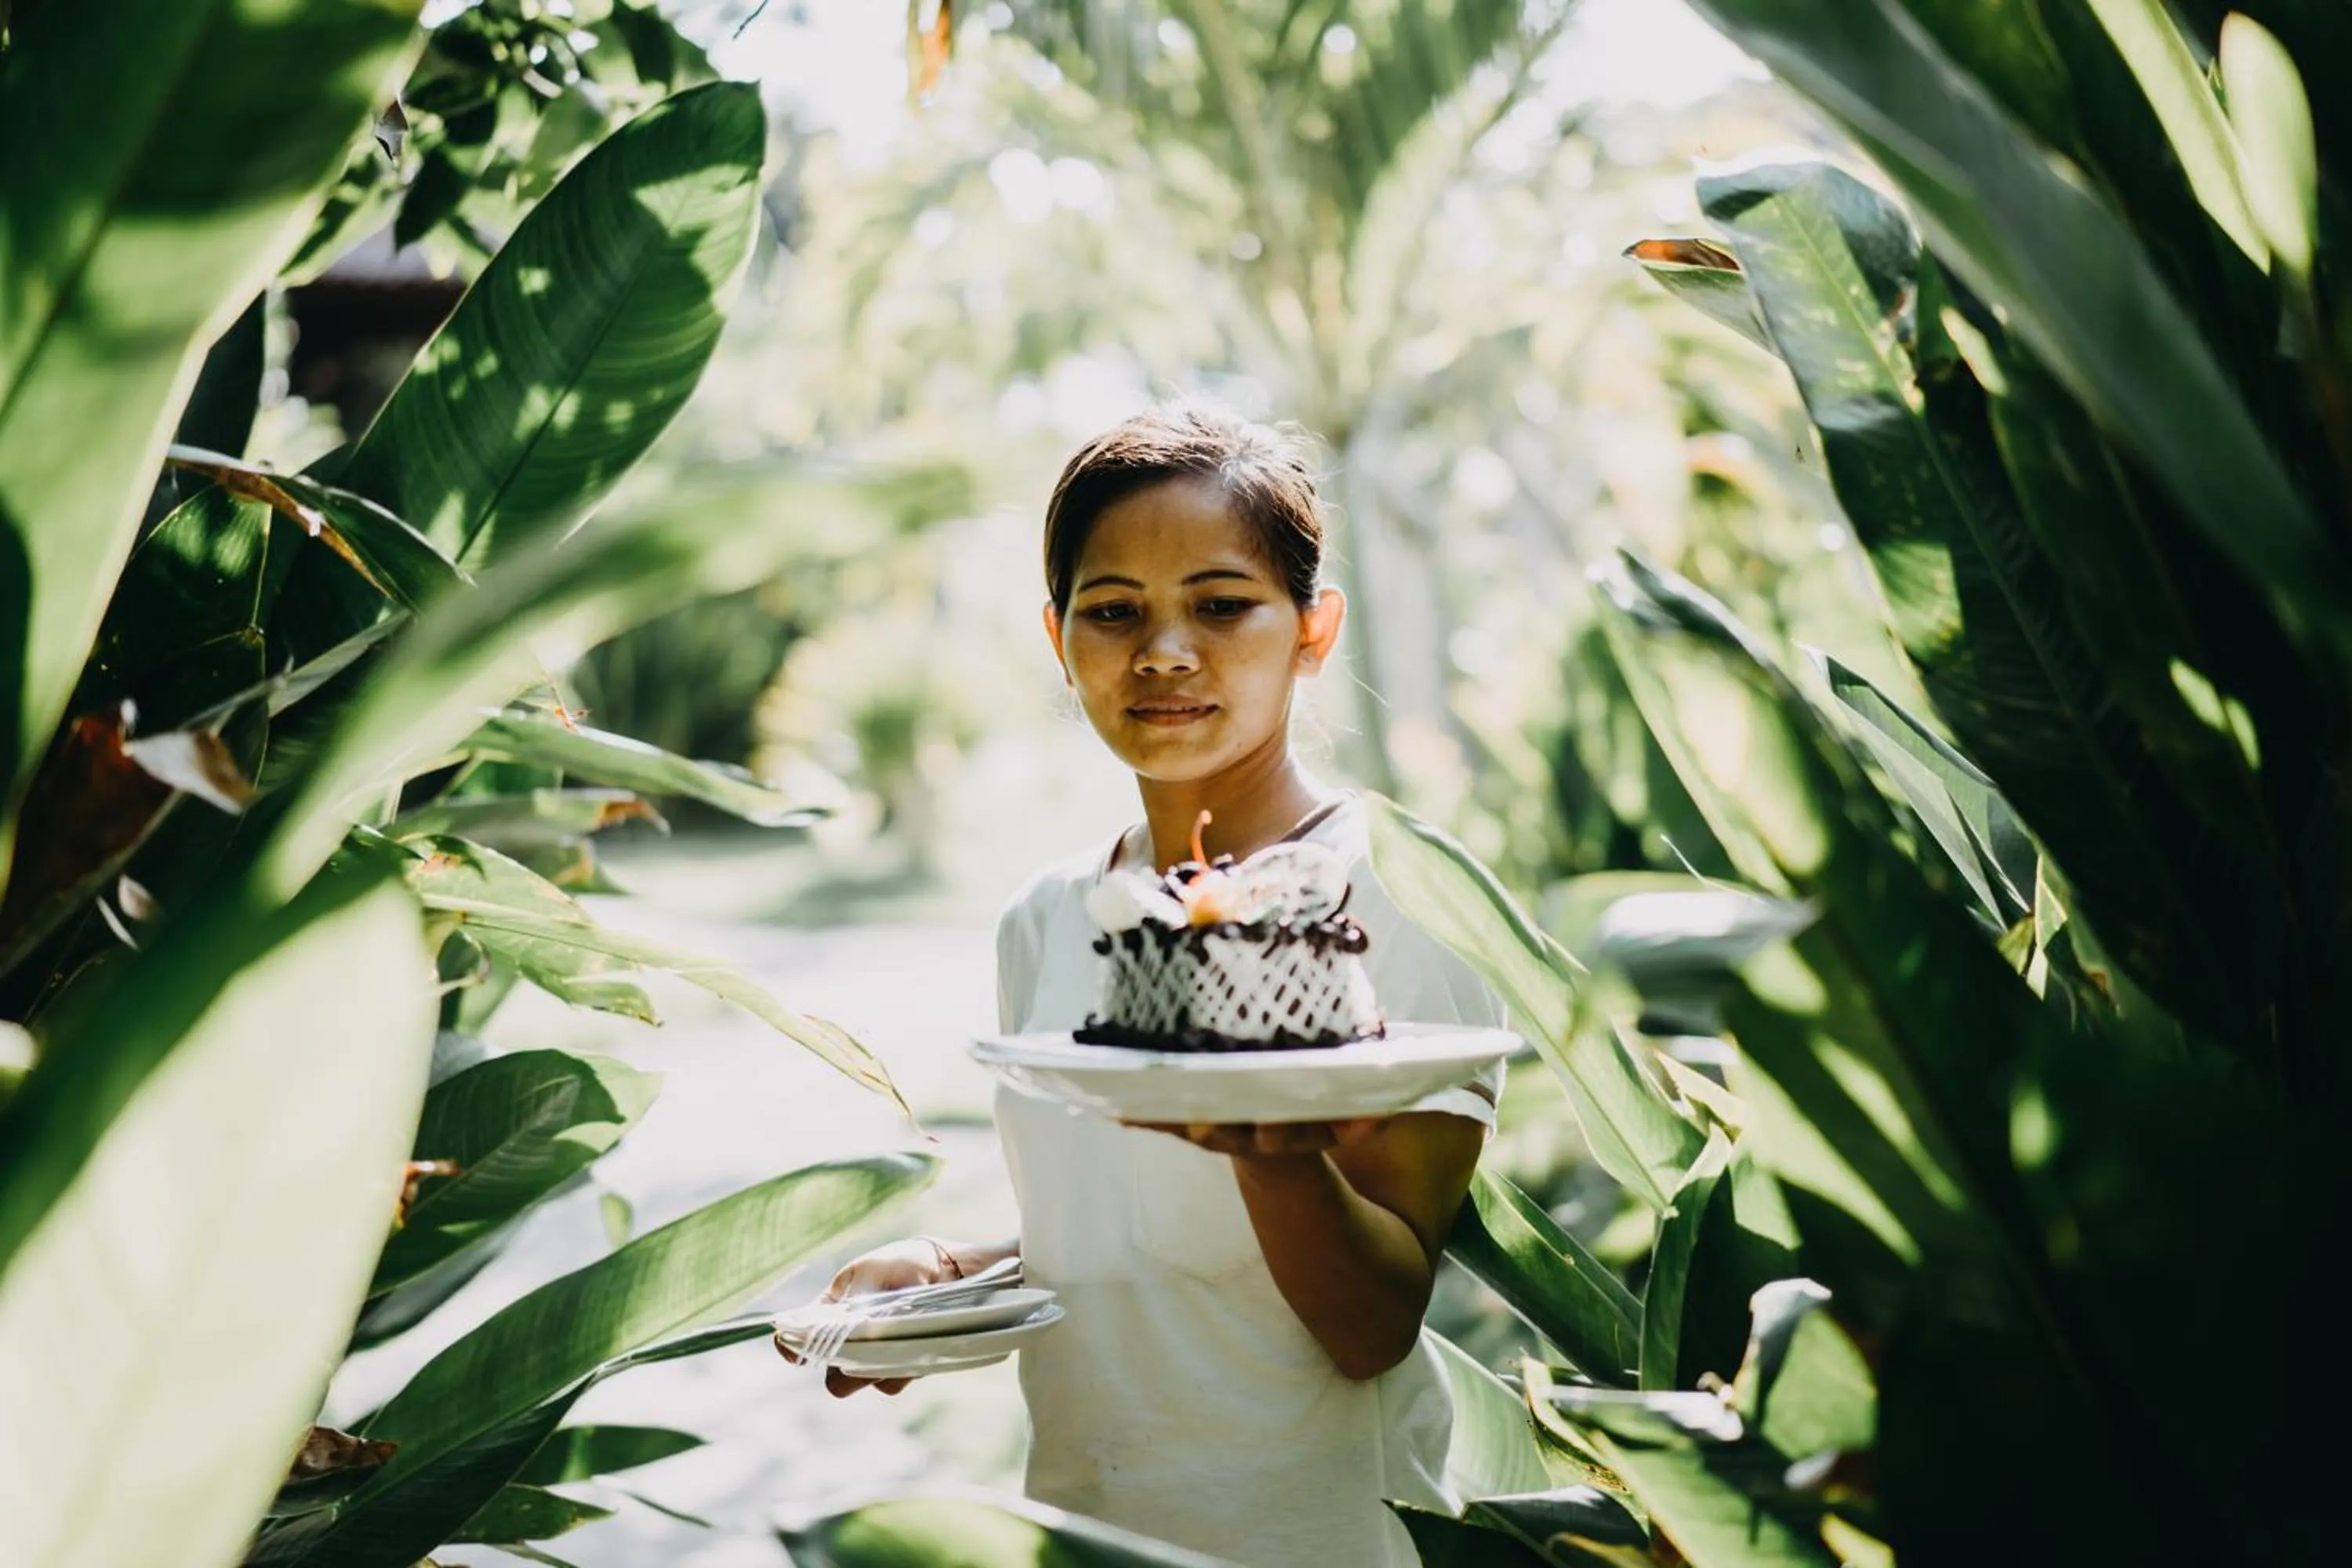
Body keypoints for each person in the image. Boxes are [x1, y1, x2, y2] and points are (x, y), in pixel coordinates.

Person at [786, 402, 1505, 1566]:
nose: (1163, 652)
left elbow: (1373, 1323)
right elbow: (1124, 1235)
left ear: (1313, 630)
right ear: (1059, 640)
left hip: (1320, 1537)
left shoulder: (1398, 900)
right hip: (1092, 1529)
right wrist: (951, 1278)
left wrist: (1268, 1145)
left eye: (1221, 606)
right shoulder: (1050, 918)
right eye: (1113, 613)